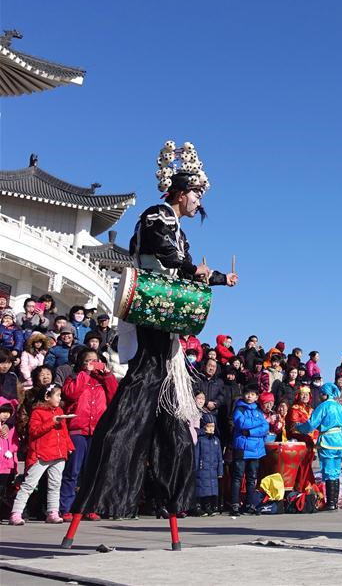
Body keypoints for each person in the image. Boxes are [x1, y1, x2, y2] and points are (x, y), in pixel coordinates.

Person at [65, 141, 238, 537]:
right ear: (179, 191)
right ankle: (106, 496)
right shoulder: (156, 215)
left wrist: (219, 279)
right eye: (195, 193)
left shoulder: (179, 230)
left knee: (174, 429)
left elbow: (186, 268)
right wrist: (195, 269)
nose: (198, 201)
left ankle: (174, 500)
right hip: (151, 319)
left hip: (167, 330)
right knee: (135, 407)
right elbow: (164, 252)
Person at [59, 350, 118, 520]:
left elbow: (115, 396)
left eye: (95, 360)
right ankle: (67, 508)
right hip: (78, 430)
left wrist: (107, 375)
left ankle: (91, 507)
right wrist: (85, 373)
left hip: (97, 431)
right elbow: (71, 393)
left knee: (92, 472)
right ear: (81, 363)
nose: (92, 363)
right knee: (73, 471)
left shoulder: (103, 381)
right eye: (88, 361)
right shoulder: (75, 377)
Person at [9, 384, 73, 525]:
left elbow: (64, 432)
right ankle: (16, 513)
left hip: (58, 453)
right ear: (47, 397)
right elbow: (34, 431)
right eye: (57, 395)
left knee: (55, 485)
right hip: (41, 454)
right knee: (29, 484)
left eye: (60, 395)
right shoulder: (37, 412)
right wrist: (51, 422)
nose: (59, 398)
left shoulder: (60, 410)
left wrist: (68, 446)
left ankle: (53, 512)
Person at [295, 383, 342, 510]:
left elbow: (311, 425)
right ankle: (334, 503)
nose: (319, 396)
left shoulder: (323, 407)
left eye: (320, 394)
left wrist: (298, 427)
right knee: (335, 471)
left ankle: (330, 503)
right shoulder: (340, 407)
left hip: (328, 440)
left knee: (329, 471)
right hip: (340, 441)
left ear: (325, 394)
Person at [231, 384, 269, 515]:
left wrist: (250, 432)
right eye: (247, 394)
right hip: (242, 447)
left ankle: (250, 504)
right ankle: (235, 504)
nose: (249, 396)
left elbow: (265, 428)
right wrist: (257, 423)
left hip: (256, 449)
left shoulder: (258, 411)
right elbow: (241, 423)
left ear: (256, 397)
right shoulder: (239, 408)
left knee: (252, 478)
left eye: (252, 394)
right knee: (238, 477)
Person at [194, 413, 223, 516]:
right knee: (201, 488)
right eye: (209, 426)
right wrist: (196, 468)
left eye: (213, 426)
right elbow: (196, 455)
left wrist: (220, 471)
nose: (211, 428)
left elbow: (220, 457)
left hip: (213, 469)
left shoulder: (216, 440)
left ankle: (208, 506)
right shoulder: (200, 440)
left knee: (211, 489)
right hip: (202, 468)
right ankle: (198, 507)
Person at [0, 400, 18, 505]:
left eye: (9, 412)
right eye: (3, 412)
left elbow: (15, 442)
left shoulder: (11, 428)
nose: (6, 415)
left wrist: (11, 450)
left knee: (3, 488)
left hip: (6, 464)